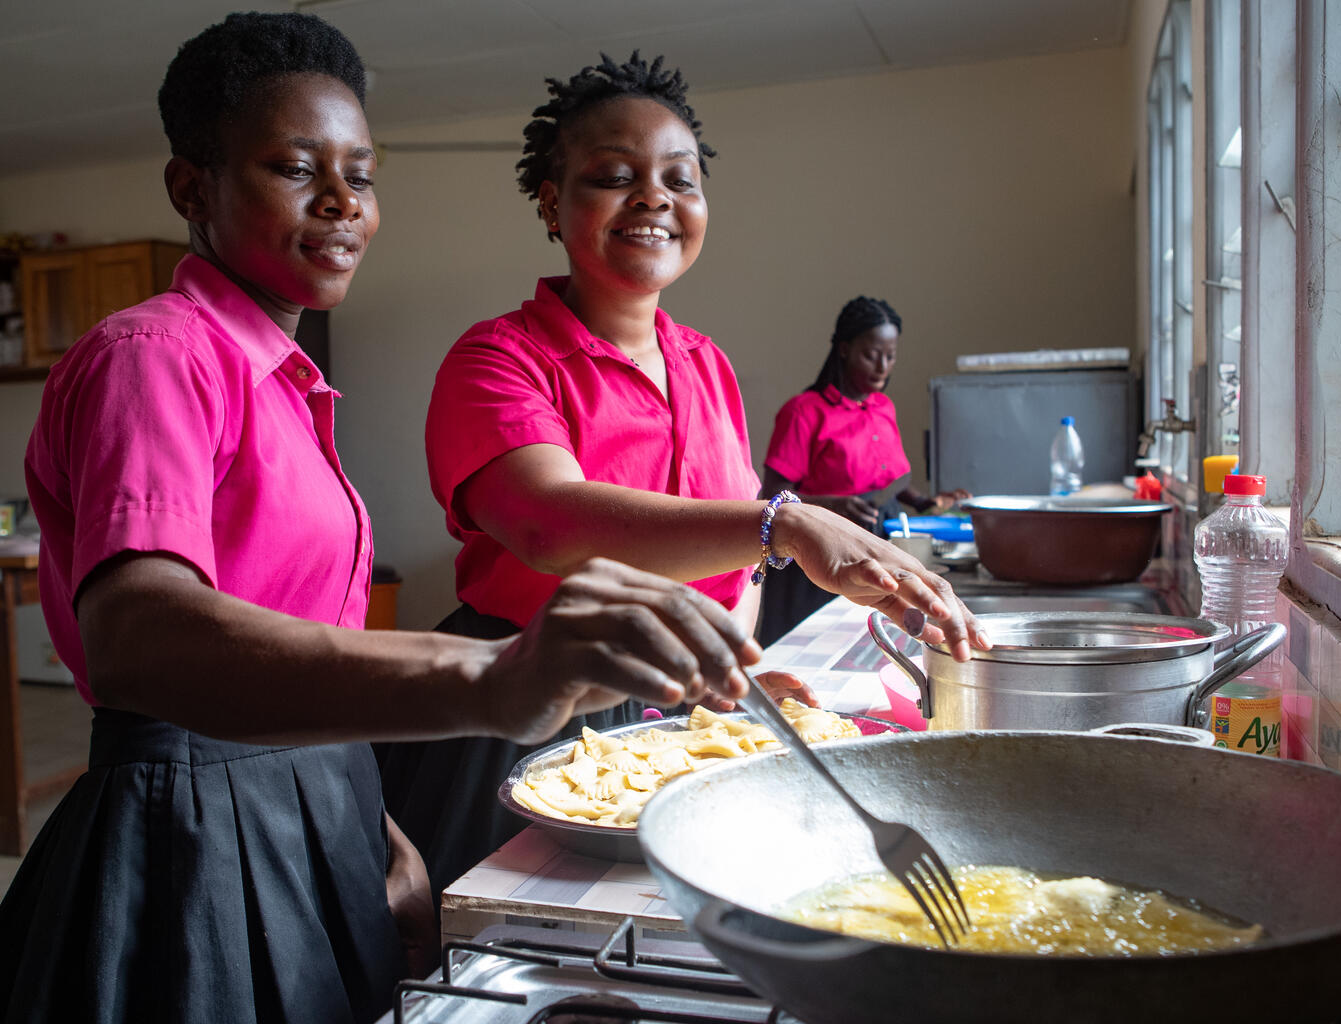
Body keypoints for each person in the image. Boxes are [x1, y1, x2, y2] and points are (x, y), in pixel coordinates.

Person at [0, 16, 767, 1024]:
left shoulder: (287, 384)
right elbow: (139, 632)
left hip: (311, 797)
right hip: (192, 828)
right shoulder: (156, 354)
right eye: (293, 167)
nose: (340, 202)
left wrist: (371, 827)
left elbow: (305, 648)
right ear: (193, 187)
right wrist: (493, 678)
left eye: (360, 176)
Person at [374, 52, 988, 902]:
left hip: (662, 719)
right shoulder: (498, 358)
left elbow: (725, 563)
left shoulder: (705, 365)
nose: (654, 197)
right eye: (614, 176)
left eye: (679, 178)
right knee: (515, 948)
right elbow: (550, 524)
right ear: (553, 204)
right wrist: (786, 521)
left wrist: (727, 671)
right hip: (517, 713)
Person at [757, 296, 973, 645]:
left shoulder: (882, 407)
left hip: (877, 540)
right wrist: (832, 505)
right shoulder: (804, 412)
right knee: (812, 643)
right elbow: (771, 496)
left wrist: (927, 502)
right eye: (872, 355)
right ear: (844, 349)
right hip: (818, 549)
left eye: (891, 356)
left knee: (871, 637)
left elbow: (893, 479)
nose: (882, 366)